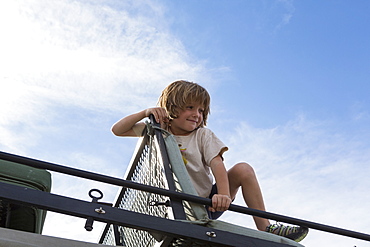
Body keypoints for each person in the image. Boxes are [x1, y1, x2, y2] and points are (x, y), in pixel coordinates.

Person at [111, 80, 308, 242]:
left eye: (201, 110)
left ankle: (266, 227)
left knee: (243, 169)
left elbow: (217, 164)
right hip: (169, 206)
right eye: (190, 107)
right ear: (171, 107)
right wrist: (145, 113)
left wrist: (223, 194)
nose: (197, 114)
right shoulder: (159, 131)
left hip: (206, 203)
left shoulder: (202, 135)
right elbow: (118, 130)